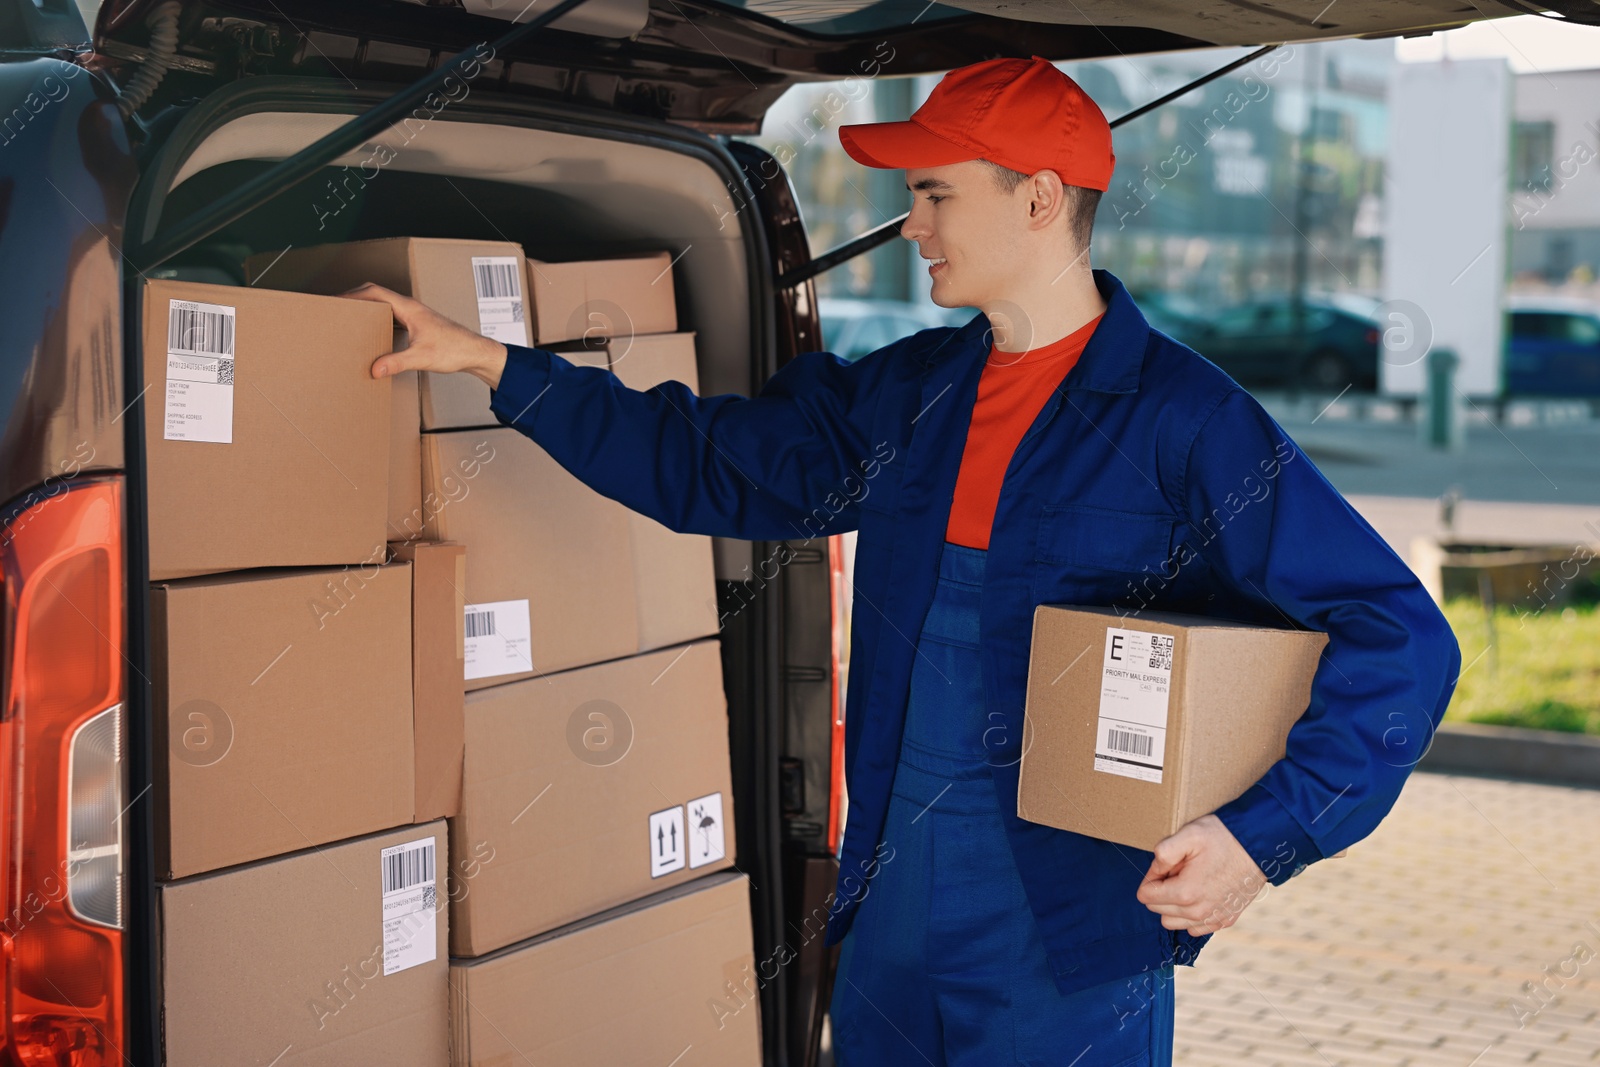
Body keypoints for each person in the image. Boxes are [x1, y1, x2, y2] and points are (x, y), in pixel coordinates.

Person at [349, 55, 1462, 1067]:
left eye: (935, 194)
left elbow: (1399, 635)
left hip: (1063, 935)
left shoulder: (1186, 422)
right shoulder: (912, 392)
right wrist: (498, 364)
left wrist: (1255, 841)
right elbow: (711, 465)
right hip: (889, 900)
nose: (908, 225)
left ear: (1036, 197)